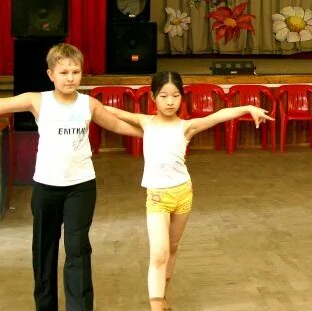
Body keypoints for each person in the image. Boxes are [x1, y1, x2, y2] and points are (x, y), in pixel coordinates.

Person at [104, 71, 272, 311]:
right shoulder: (146, 122)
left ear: (182, 98)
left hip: (183, 194)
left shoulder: (186, 127)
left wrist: (247, 107)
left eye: (175, 96)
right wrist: (81, 103)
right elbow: (113, 112)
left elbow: (218, 116)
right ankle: (156, 307)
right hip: (157, 198)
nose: (170, 101)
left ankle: (163, 298)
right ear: (153, 98)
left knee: (172, 249)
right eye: (163, 96)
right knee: (159, 252)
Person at [0, 43, 144, 311]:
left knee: (77, 249)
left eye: (75, 72)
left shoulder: (88, 103)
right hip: (45, 187)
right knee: (44, 251)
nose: (70, 78)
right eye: (63, 72)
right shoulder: (36, 100)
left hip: (81, 187)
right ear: (50, 74)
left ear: (81, 74)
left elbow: (117, 125)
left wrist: (154, 135)